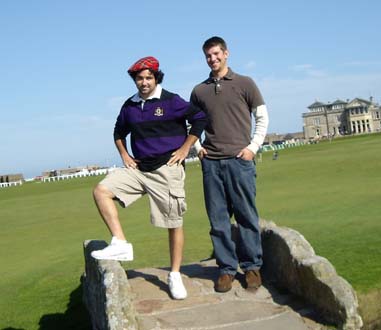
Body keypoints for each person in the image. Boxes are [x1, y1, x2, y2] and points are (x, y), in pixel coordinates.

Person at [91, 56, 206, 300]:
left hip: (167, 169)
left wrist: (186, 148)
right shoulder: (129, 106)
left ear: (156, 78)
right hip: (139, 170)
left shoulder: (171, 100)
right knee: (101, 191)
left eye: (148, 78)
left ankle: (174, 274)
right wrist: (124, 155)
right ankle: (120, 242)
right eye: (140, 78)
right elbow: (118, 132)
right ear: (135, 80)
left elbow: (199, 119)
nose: (144, 82)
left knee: (174, 223)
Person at [190, 37, 269, 292]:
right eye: (208, 56)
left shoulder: (245, 83)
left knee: (246, 216)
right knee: (218, 219)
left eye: (216, 54)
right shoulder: (199, 91)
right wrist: (198, 148)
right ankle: (226, 270)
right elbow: (191, 125)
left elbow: (262, 117)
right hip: (211, 163)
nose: (212, 59)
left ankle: (252, 268)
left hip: (239, 161)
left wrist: (252, 148)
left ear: (226, 53)